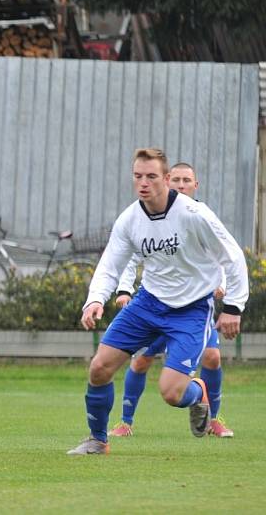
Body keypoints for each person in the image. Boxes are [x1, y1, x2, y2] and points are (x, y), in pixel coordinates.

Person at [68, 148, 248, 455]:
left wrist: (233, 306)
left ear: (165, 179)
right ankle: (98, 440)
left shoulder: (193, 214)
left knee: (171, 392)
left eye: (151, 176)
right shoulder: (129, 219)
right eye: (138, 176)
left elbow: (232, 256)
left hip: (191, 309)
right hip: (148, 304)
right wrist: (95, 299)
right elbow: (111, 263)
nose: (144, 183)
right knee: (99, 368)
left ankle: (198, 392)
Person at [109, 163, 234, 438]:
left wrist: (223, 286)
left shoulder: (199, 217)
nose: (180, 184)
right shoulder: (152, 217)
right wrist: (124, 289)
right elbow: (132, 254)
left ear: (195, 185)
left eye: (186, 180)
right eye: (175, 179)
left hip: (193, 307)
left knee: (213, 357)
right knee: (141, 362)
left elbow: (222, 257)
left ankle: (214, 418)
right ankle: (125, 422)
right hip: (156, 305)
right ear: (168, 182)